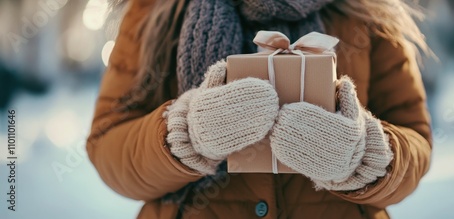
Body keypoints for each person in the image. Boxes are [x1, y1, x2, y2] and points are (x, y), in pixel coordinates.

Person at [87, 0, 432, 218]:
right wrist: (183, 134)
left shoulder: (370, 11)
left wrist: (363, 156)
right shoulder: (153, 10)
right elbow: (107, 146)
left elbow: (415, 144)